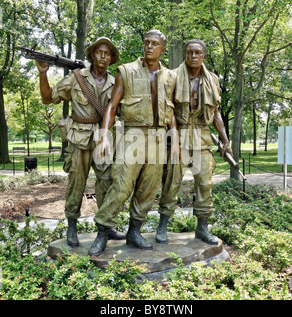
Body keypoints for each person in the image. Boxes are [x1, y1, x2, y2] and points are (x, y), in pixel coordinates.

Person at [88, 30, 179, 256]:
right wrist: (103, 136)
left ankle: (134, 231)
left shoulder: (170, 77)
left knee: (148, 189)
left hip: (158, 139)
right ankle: (102, 232)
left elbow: (171, 110)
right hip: (133, 136)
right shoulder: (126, 71)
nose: (149, 47)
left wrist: (174, 137)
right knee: (121, 186)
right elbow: (112, 105)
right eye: (146, 42)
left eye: (154, 44)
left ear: (162, 49)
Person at [36, 37, 125, 248]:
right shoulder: (76, 78)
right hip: (79, 137)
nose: (103, 56)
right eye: (99, 52)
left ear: (111, 58)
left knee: (106, 183)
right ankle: (72, 226)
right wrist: (43, 73)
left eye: (107, 53)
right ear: (92, 55)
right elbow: (48, 98)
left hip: (103, 139)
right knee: (77, 183)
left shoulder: (116, 82)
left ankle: (106, 227)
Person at [156, 39, 234, 245]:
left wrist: (226, 141)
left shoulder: (213, 80)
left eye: (197, 53)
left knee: (205, 184)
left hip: (202, 136)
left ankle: (202, 227)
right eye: (189, 52)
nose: (193, 56)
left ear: (204, 56)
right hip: (179, 135)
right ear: (184, 54)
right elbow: (168, 109)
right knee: (172, 182)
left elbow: (216, 114)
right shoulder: (171, 76)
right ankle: (163, 224)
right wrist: (173, 135)